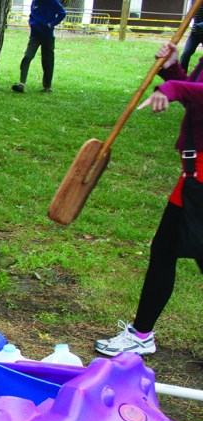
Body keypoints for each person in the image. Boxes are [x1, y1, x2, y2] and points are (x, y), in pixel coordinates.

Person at [95, 42, 203, 357]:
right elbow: (195, 99)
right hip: (193, 176)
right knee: (166, 251)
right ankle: (142, 332)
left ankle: (142, 333)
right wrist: (172, 67)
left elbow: (195, 94)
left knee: (166, 252)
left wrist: (171, 87)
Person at [11, 0, 66, 94]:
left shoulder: (53, 1)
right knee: (27, 57)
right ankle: (21, 84)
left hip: (48, 36)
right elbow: (32, 15)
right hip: (35, 36)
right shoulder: (35, 1)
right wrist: (31, 23)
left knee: (47, 61)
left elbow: (62, 13)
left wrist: (51, 24)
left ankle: (47, 87)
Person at [181, 4, 203, 72]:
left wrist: (201, 25)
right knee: (186, 53)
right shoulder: (195, 2)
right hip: (195, 34)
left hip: (198, 29)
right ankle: (182, 76)